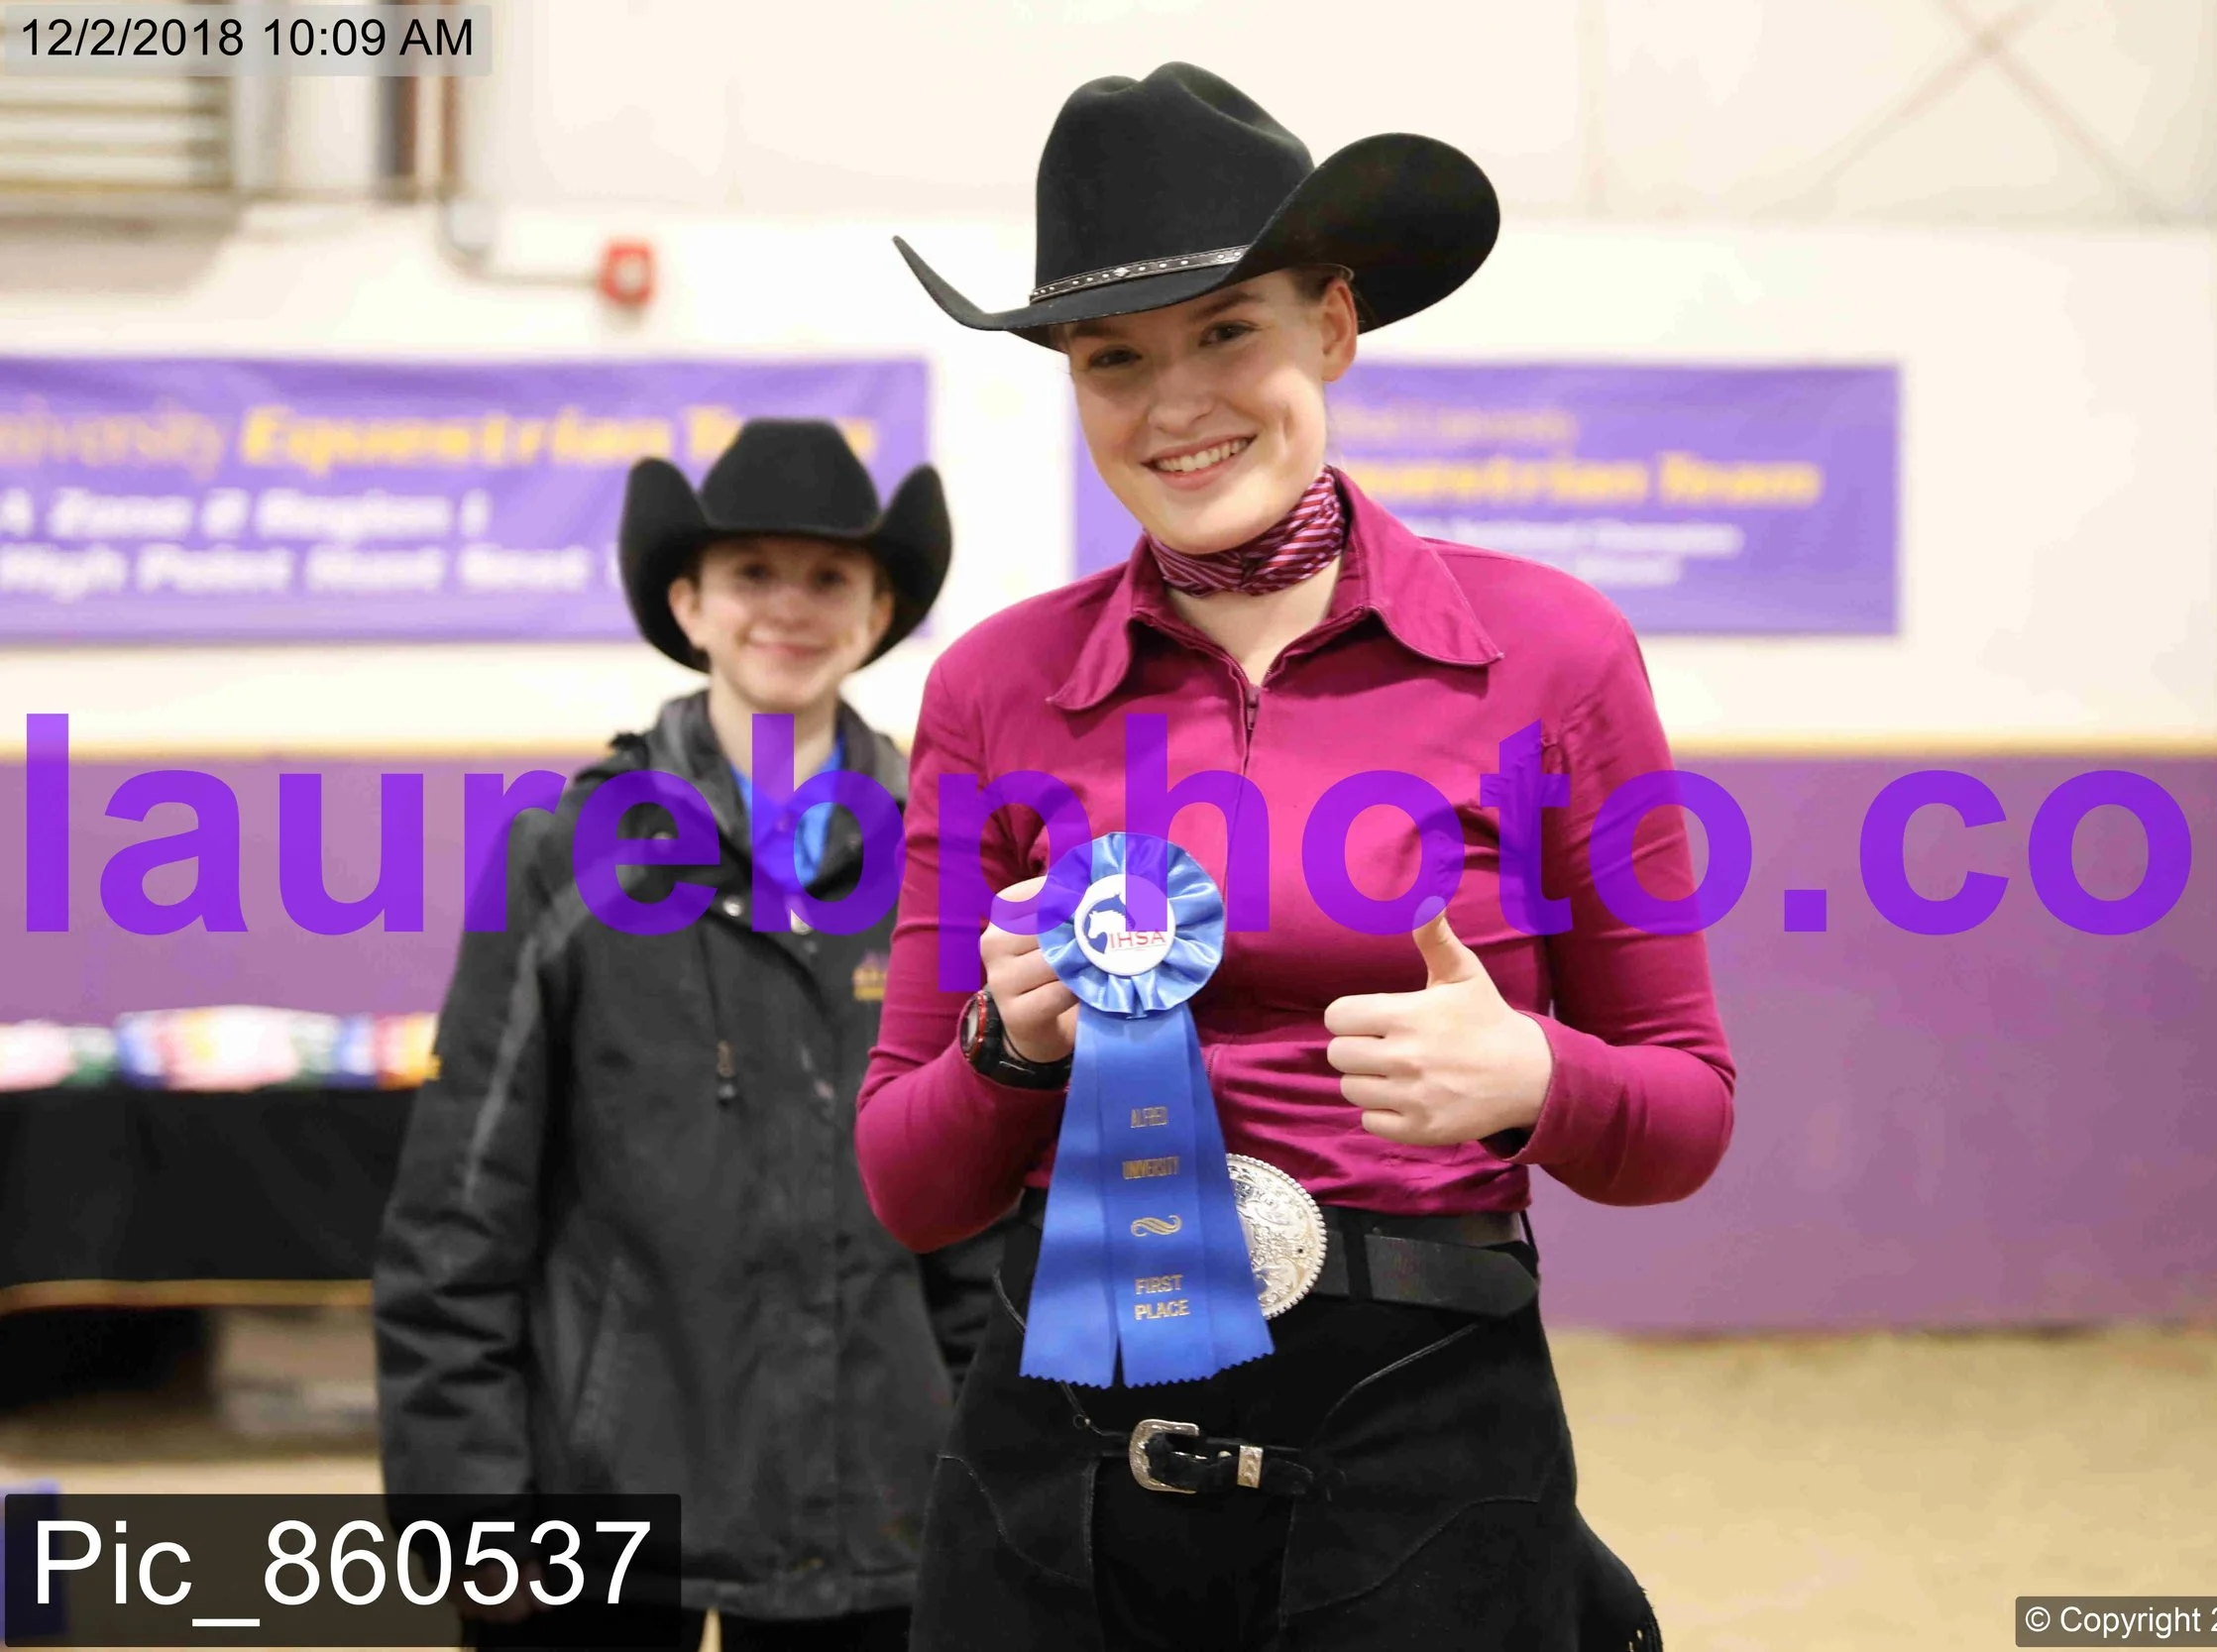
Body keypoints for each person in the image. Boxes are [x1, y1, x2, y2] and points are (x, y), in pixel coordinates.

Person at [862, 64, 1735, 1652]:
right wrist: (1010, 1048)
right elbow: (907, 1182)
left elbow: (1685, 1114)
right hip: (1064, 1459)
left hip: (1425, 1439)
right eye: (1115, 357)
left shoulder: (1553, 652)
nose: (1175, 403)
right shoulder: (995, 686)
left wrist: (1536, 1076)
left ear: (1332, 325)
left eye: (1227, 331)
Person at [375, 419, 1011, 1652]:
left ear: (878, 610)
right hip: (606, 1508)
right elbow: (457, 1219)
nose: (790, 607)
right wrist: (467, 1512)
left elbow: (983, 1213)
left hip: (884, 1506)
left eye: (828, 575)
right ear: (689, 602)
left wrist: (998, 1480)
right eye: (751, 572)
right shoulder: (564, 856)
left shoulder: (945, 860)